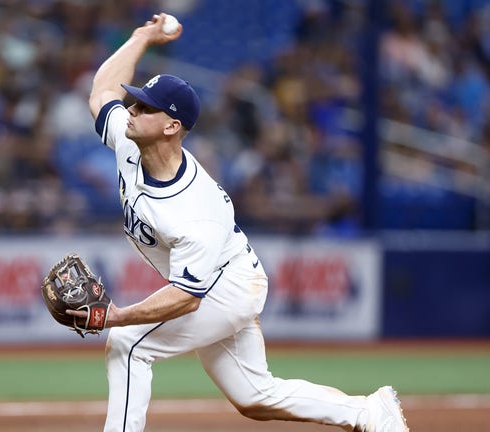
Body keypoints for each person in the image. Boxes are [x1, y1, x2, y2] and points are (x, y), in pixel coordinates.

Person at [70, 13, 409, 432]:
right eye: (135, 103)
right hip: (221, 275)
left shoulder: (196, 210)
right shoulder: (128, 135)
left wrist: (117, 316)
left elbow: (186, 297)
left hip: (225, 287)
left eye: (145, 107)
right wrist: (142, 37)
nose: (131, 110)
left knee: (128, 343)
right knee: (254, 396)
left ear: (172, 126)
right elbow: (102, 90)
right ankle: (370, 413)